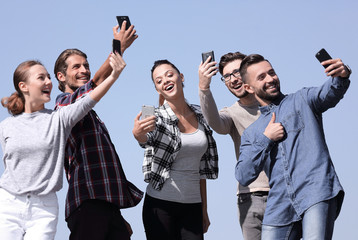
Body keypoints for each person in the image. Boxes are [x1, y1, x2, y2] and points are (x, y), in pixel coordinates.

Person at [0, 52, 125, 240]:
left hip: (44, 207)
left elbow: (91, 98)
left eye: (48, 77)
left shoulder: (59, 119)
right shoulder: (6, 126)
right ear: (23, 86)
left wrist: (114, 75)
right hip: (9, 202)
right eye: (41, 78)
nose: (48, 82)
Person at [235, 53, 351, 240]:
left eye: (271, 73)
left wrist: (342, 75)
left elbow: (331, 91)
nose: (270, 79)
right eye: (261, 77)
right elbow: (243, 174)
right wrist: (267, 138)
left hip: (315, 192)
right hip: (278, 209)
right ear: (248, 87)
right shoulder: (252, 133)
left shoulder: (303, 99)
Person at [54, 22, 143, 240]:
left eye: (86, 65)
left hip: (107, 205)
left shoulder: (92, 115)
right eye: (76, 67)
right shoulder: (63, 105)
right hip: (86, 203)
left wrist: (116, 214)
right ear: (61, 76)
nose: (84, 70)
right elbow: (95, 83)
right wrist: (117, 48)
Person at [132, 60, 219, 240]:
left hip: (193, 205)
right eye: (159, 80)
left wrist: (204, 209)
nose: (165, 80)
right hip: (160, 205)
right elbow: (146, 139)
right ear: (158, 89)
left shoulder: (201, 115)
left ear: (181, 77)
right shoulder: (157, 117)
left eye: (169, 74)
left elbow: (201, 169)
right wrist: (138, 134)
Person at [198, 52, 269, 240]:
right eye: (226, 76)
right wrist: (204, 88)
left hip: (282, 193)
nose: (232, 79)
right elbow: (215, 123)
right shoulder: (231, 113)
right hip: (249, 198)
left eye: (236, 72)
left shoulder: (277, 104)